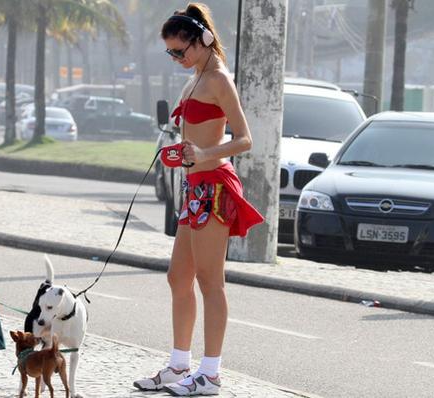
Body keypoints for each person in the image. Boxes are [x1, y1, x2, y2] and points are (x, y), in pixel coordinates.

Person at [133, 3, 263, 396]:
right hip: (194, 189)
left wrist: (204, 155)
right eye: (170, 52)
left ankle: (210, 374)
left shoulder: (219, 78)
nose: (176, 58)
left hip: (216, 187)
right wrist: (181, 152)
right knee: (178, 278)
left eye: (180, 50)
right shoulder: (194, 77)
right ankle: (178, 364)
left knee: (211, 281)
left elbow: (244, 139)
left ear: (203, 40)